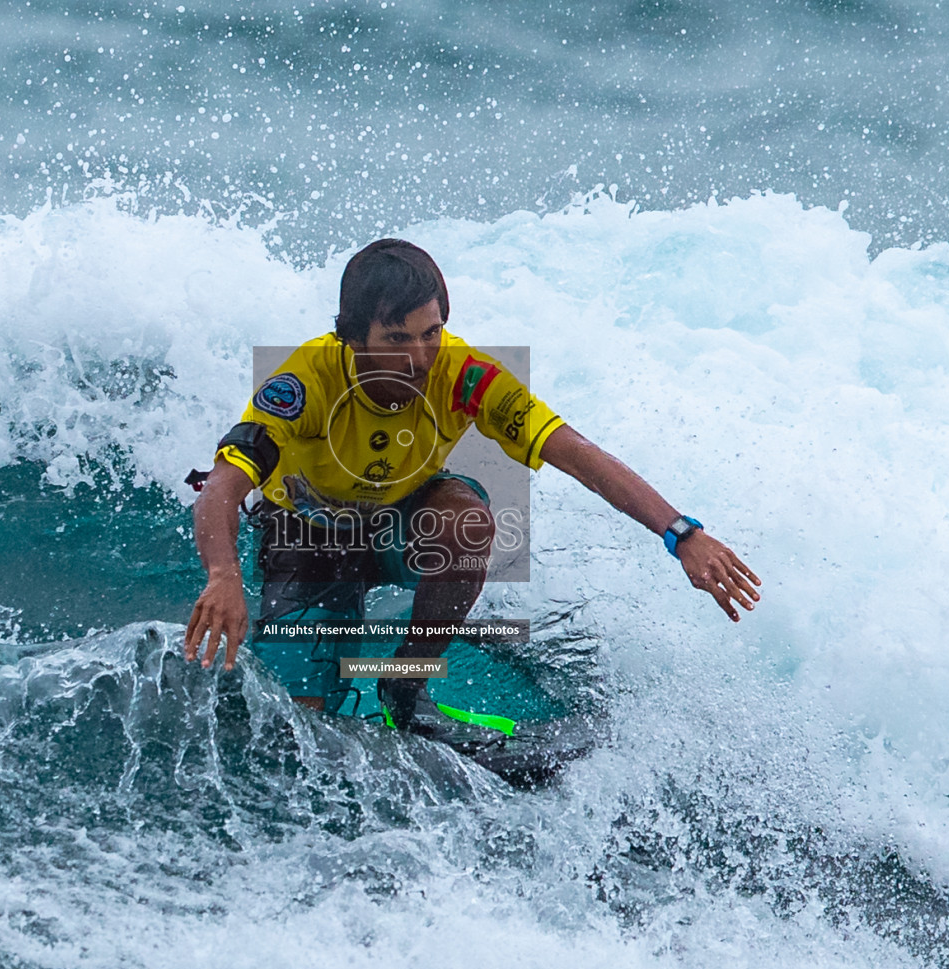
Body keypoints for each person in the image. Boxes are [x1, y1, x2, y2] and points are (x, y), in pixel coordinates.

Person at [184, 239, 760, 745]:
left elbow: (578, 453)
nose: (417, 358)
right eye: (396, 339)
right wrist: (223, 576)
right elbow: (222, 486)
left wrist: (681, 533)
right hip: (311, 537)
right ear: (351, 336)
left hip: (401, 516)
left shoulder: (463, 374)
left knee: (466, 522)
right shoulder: (306, 380)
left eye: (431, 333)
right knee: (301, 730)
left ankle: (406, 683)